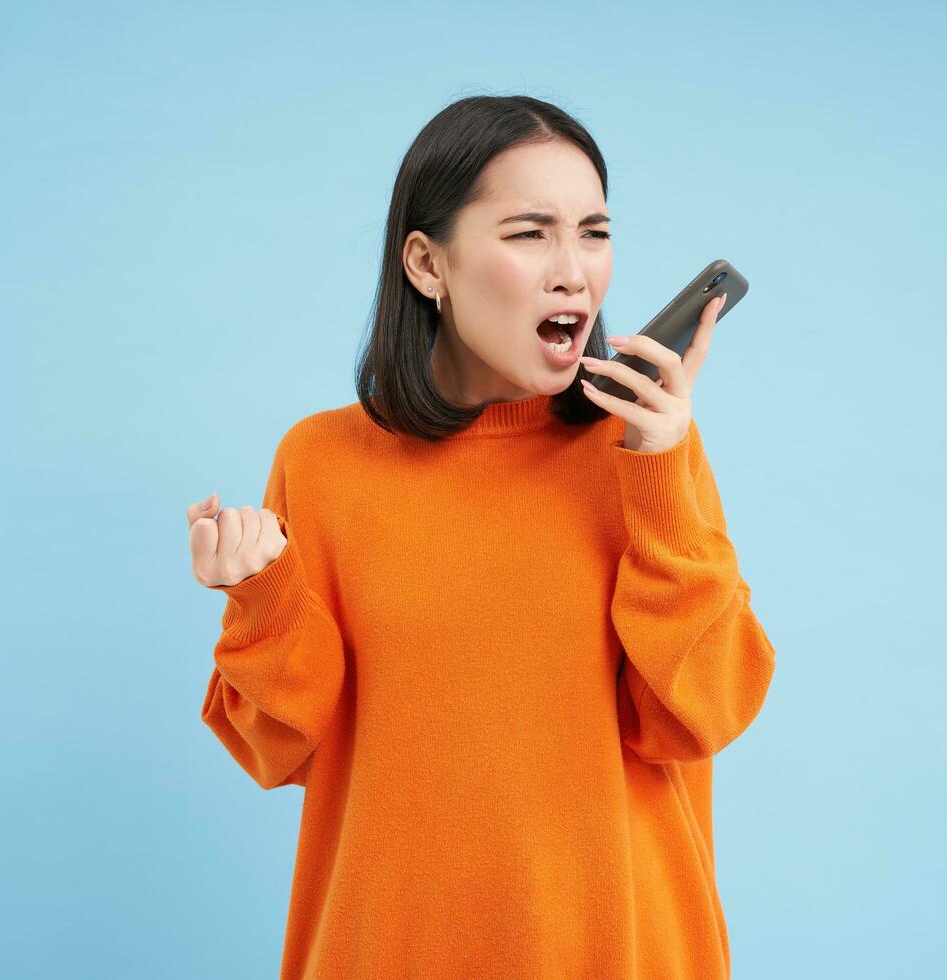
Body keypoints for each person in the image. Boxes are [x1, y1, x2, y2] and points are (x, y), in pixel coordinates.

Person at [185, 94, 777, 979]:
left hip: (620, 952)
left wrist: (656, 472)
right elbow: (283, 750)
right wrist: (263, 596)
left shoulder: (645, 449)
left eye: (594, 232)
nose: (573, 272)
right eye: (530, 233)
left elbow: (700, 714)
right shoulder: (322, 462)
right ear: (428, 263)